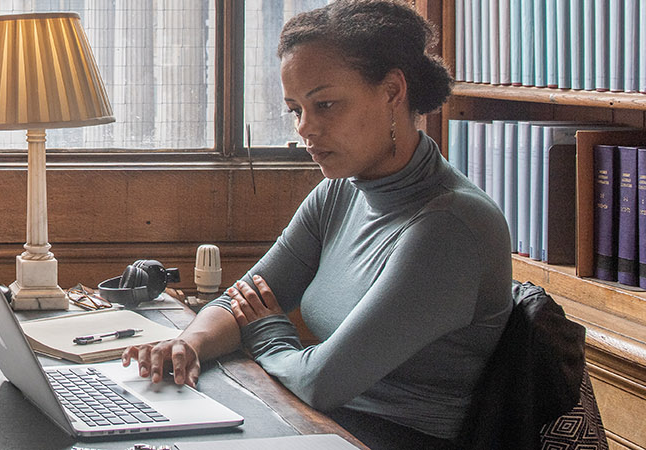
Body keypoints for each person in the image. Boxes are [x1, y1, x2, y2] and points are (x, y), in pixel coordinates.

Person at [119, 1, 512, 448]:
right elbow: (242, 298)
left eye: (325, 104)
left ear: (392, 92)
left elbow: (320, 380)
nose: (306, 128)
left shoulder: (450, 227)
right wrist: (188, 344)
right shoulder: (341, 190)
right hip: (316, 422)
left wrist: (267, 332)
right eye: (295, 110)